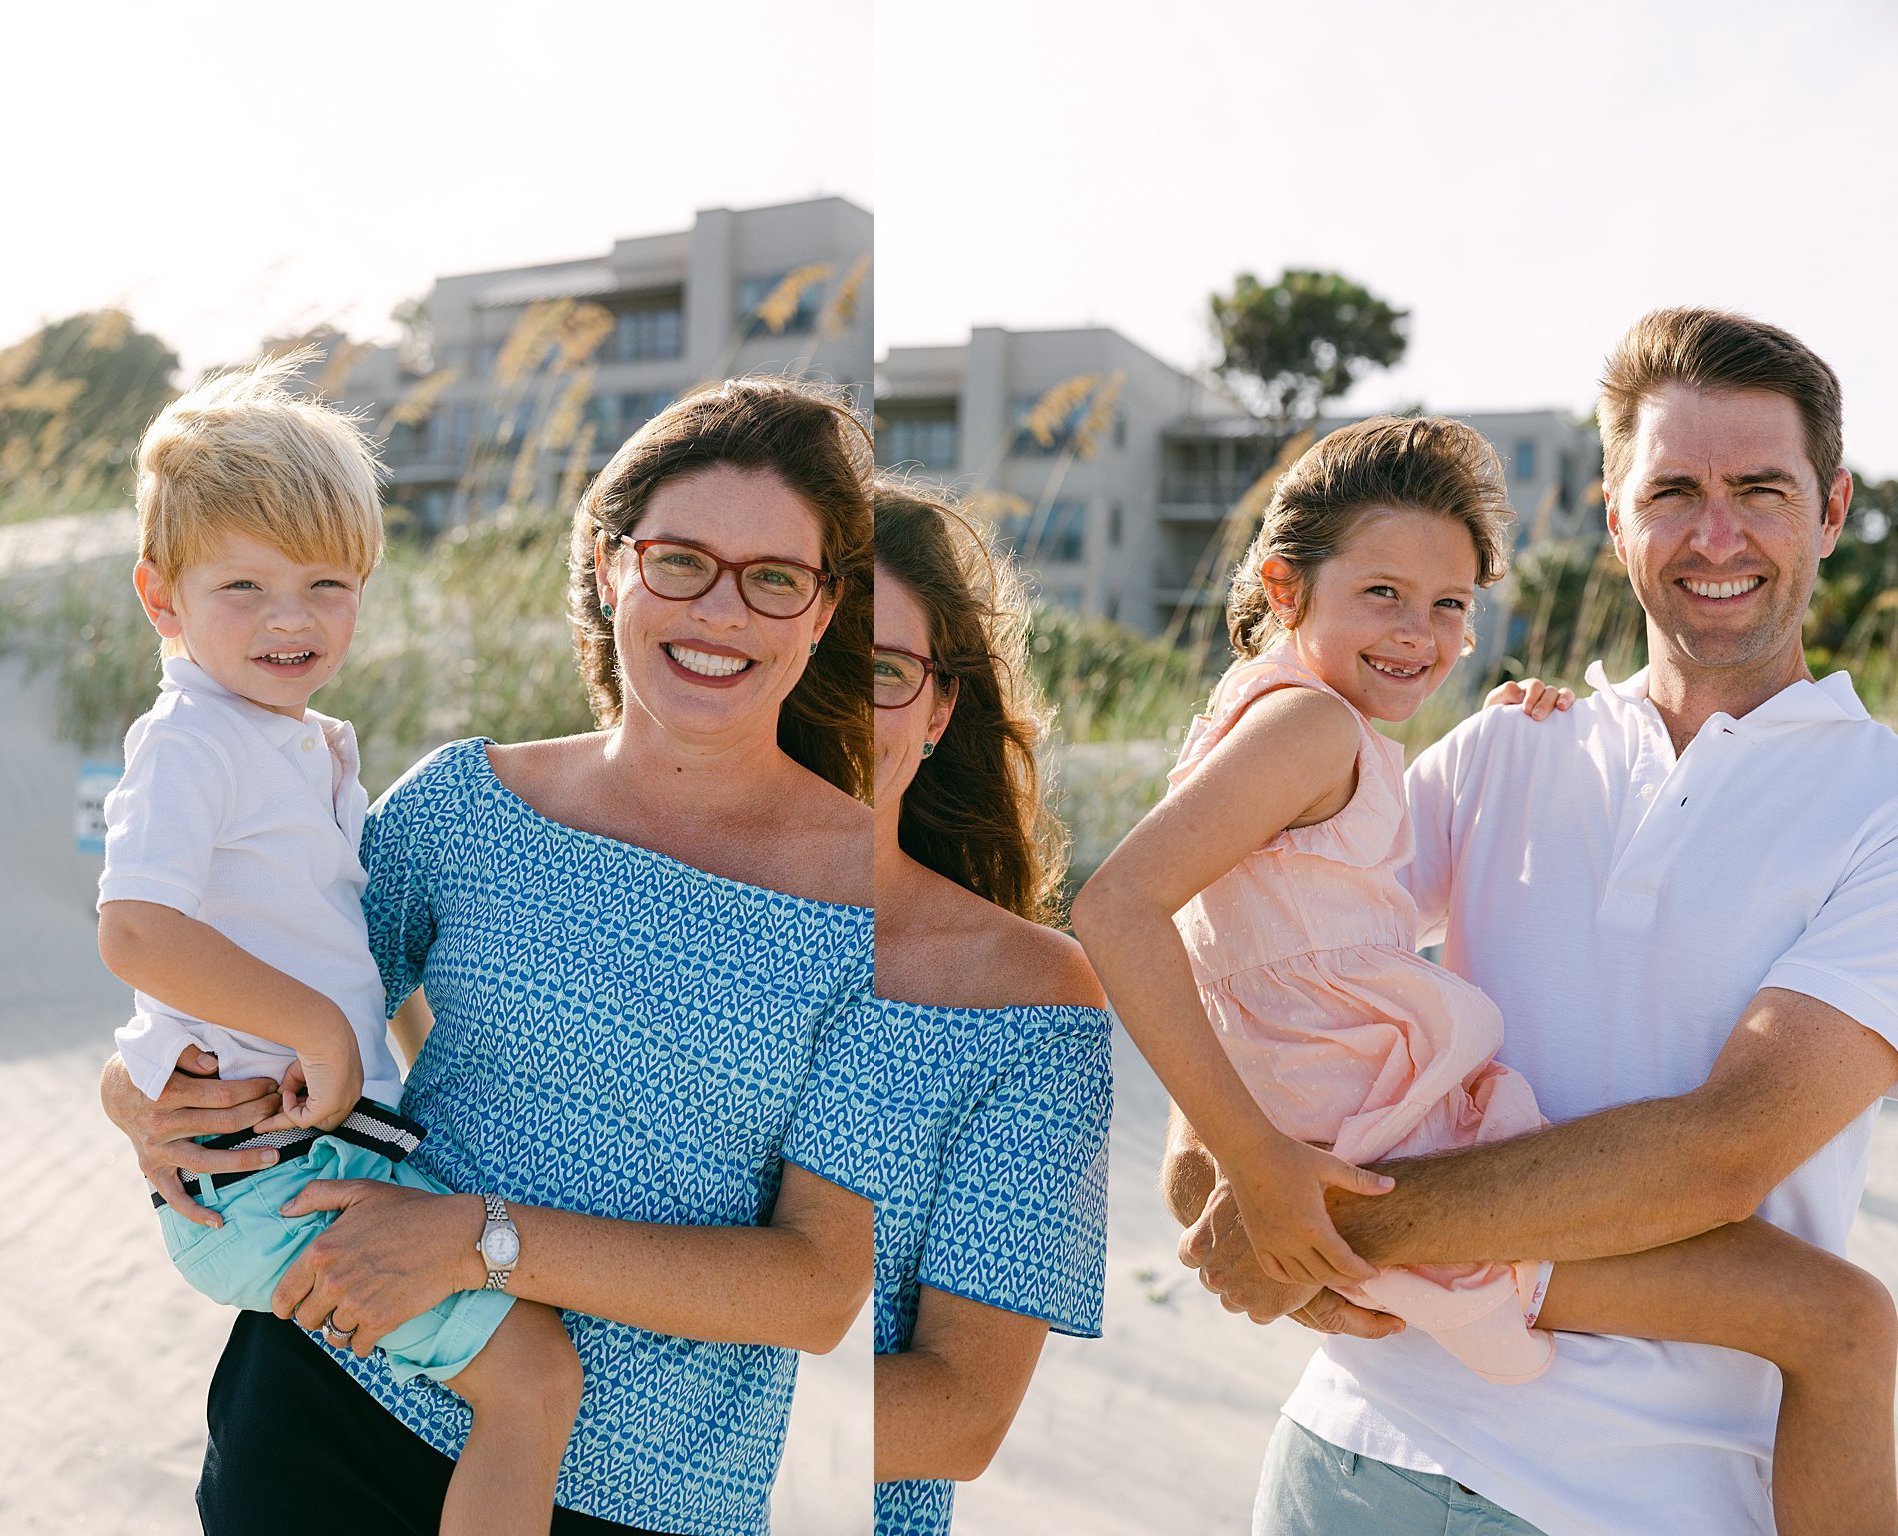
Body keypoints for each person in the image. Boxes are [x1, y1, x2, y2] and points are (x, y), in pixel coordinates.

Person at [1155, 313, 1898, 1534]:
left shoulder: (1876, 802)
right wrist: (1219, 1160)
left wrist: (1312, 1223)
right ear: (1613, 518)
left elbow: (1725, 1152)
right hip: (1347, 1454)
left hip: (1639, 1501)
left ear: (1827, 510)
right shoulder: (1509, 740)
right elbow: (1254, 919)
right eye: (1670, 492)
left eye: (1758, 490)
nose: (1715, 536)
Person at [102, 376, 878, 1536]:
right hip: (324, 1414)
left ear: (821, 612)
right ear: (610, 564)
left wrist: (480, 1244)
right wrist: (131, 1095)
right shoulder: (465, 806)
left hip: (652, 1497)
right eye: (677, 559)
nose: (719, 610)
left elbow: (818, 1291)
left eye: (771, 578)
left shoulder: (883, 918)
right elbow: (266, 977)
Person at [96, 357, 581, 1535]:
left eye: (327, 583)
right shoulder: (193, 740)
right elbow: (135, 928)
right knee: (534, 1382)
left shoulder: (304, 746)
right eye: (244, 585)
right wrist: (313, 1031)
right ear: (162, 601)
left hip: (295, 1156)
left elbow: (344, 952)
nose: (291, 619)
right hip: (263, 1177)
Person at [860, 482, 1112, 1536]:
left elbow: (958, 1413)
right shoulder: (561, 874)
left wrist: (544, 1383)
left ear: (937, 709)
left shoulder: (1029, 1005)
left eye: (876, 672)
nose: (828, 704)